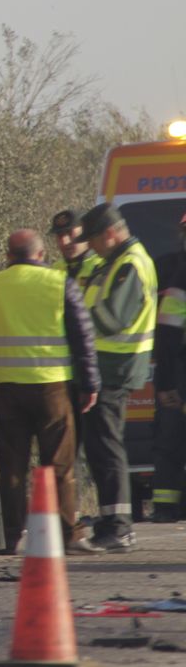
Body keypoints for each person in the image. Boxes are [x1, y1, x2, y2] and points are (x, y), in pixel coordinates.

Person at [0, 230, 99, 555]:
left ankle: (9, 535)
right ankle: (67, 535)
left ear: (8, 255)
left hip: (6, 388)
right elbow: (83, 337)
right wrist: (90, 385)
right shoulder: (59, 283)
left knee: (12, 465)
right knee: (59, 463)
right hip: (52, 388)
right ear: (41, 254)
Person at [70, 203, 157, 553]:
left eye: (92, 240)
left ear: (109, 233)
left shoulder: (130, 264)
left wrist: (72, 321)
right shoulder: (115, 262)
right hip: (104, 366)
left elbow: (111, 317)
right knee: (99, 446)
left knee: (107, 447)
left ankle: (120, 527)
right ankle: (111, 522)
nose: (89, 247)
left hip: (114, 367)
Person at [150, 214, 186, 523]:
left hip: (178, 372)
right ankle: (166, 505)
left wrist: (164, 382)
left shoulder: (177, 275)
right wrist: (165, 382)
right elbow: (168, 332)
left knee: (171, 440)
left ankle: (167, 506)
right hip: (179, 371)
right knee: (170, 440)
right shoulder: (171, 272)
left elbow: (169, 331)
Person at [50, 208, 100, 284]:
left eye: (70, 233)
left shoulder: (100, 266)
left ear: (85, 231)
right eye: (59, 235)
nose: (65, 242)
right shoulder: (55, 269)